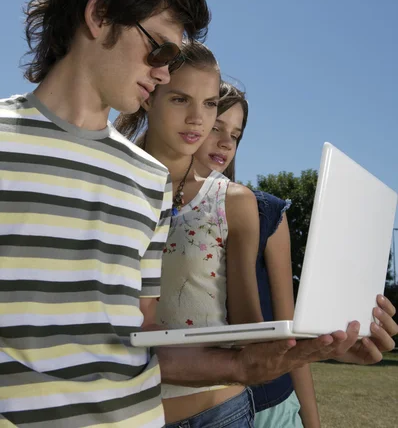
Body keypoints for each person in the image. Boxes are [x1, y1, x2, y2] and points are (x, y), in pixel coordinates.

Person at [0, 0, 210, 428]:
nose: (164, 72)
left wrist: (258, 358)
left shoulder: (150, 178)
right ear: (99, 16)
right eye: (159, 48)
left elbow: (141, 333)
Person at [116, 60, 398, 428]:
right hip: (130, 414)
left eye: (232, 132)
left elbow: (252, 332)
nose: (207, 129)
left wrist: (324, 342)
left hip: (218, 412)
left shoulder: (235, 202)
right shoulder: (116, 185)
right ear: (151, 97)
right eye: (184, 101)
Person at [194, 81, 397, 428]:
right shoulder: (152, 207)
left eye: (236, 135)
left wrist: (312, 422)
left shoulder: (267, 213)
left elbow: (290, 332)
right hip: (195, 404)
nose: (227, 142)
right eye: (216, 127)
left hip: (271, 406)